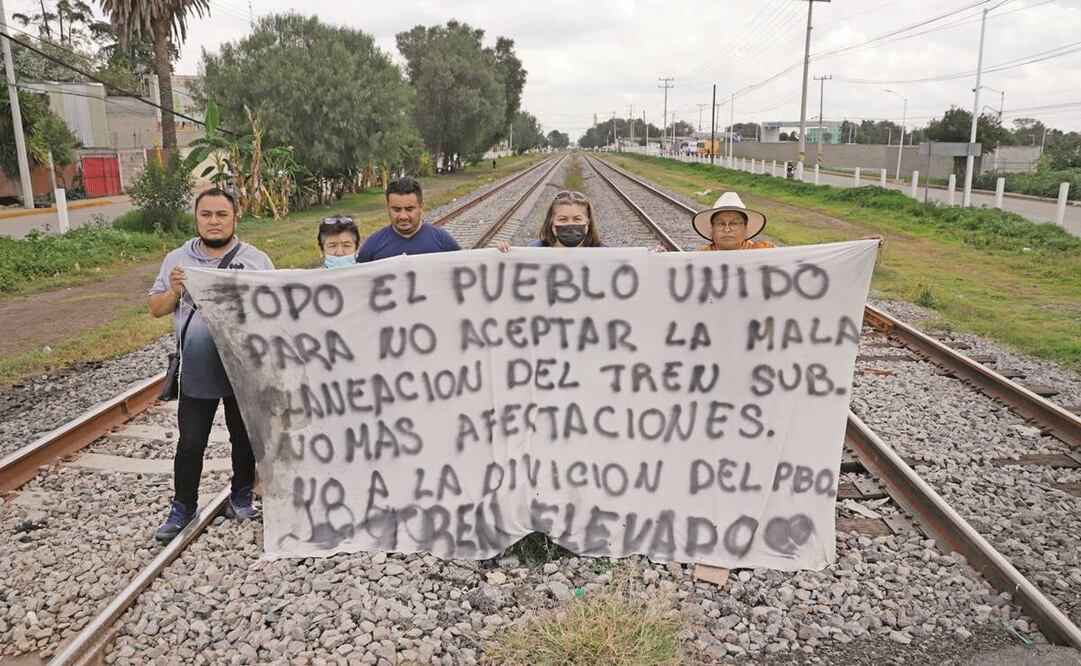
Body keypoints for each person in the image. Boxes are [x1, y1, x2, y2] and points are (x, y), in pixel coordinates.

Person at [148, 188, 274, 542]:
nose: (214, 221)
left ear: (235, 218)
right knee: (190, 443)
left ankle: (242, 496)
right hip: (197, 370)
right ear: (196, 218)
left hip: (243, 370)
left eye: (221, 214)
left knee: (244, 439)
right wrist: (174, 290)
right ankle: (182, 506)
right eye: (207, 214)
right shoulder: (177, 259)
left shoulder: (256, 260)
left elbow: (275, 310)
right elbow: (156, 308)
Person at [357, 177, 461, 262]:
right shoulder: (371, 247)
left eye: (409, 209)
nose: (403, 216)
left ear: (421, 207)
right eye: (396, 209)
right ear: (387, 207)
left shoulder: (443, 242)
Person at [496, 190, 606, 251]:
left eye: (577, 219)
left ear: (587, 223)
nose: (570, 224)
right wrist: (504, 252)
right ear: (552, 224)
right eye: (563, 219)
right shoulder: (535, 250)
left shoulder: (605, 253)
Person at [692, 192, 776, 251]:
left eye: (734, 224)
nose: (727, 230)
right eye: (721, 224)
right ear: (712, 229)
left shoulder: (764, 251)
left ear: (745, 228)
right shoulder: (699, 259)